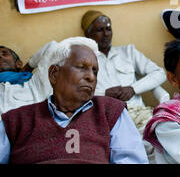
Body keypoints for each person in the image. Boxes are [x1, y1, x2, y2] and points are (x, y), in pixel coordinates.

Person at [0, 37, 148, 164]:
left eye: (95, 71)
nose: (91, 77)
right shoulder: (14, 121)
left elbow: (130, 160)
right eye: (81, 67)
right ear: (54, 74)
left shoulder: (111, 111)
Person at [81, 10, 167, 132]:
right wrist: (104, 94)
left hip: (139, 115)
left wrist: (133, 89)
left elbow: (160, 73)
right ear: (88, 35)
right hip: (106, 119)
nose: (106, 34)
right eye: (99, 30)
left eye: (108, 29)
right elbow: (77, 91)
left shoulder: (128, 52)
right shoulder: (83, 60)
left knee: (162, 135)